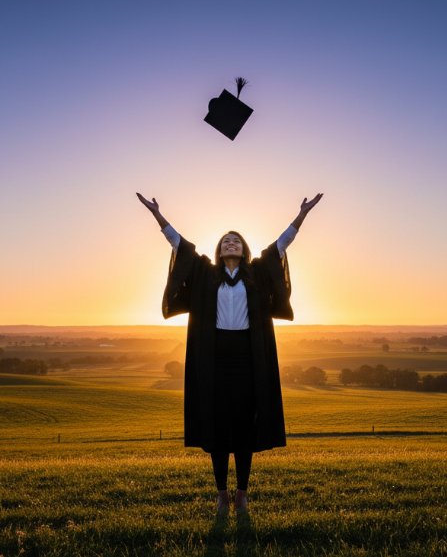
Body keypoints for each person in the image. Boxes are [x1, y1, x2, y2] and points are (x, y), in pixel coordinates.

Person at [136, 191, 323, 515]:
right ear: (219, 250)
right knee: (218, 427)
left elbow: (281, 245)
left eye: (236, 240)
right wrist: (157, 214)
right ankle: (221, 493)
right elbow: (180, 246)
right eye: (226, 241)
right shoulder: (207, 274)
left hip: (249, 358)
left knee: (245, 430)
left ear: (243, 249)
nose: (231, 243)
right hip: (215, 358)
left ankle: (242, 493)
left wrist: (302, 214)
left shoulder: (256, 273)